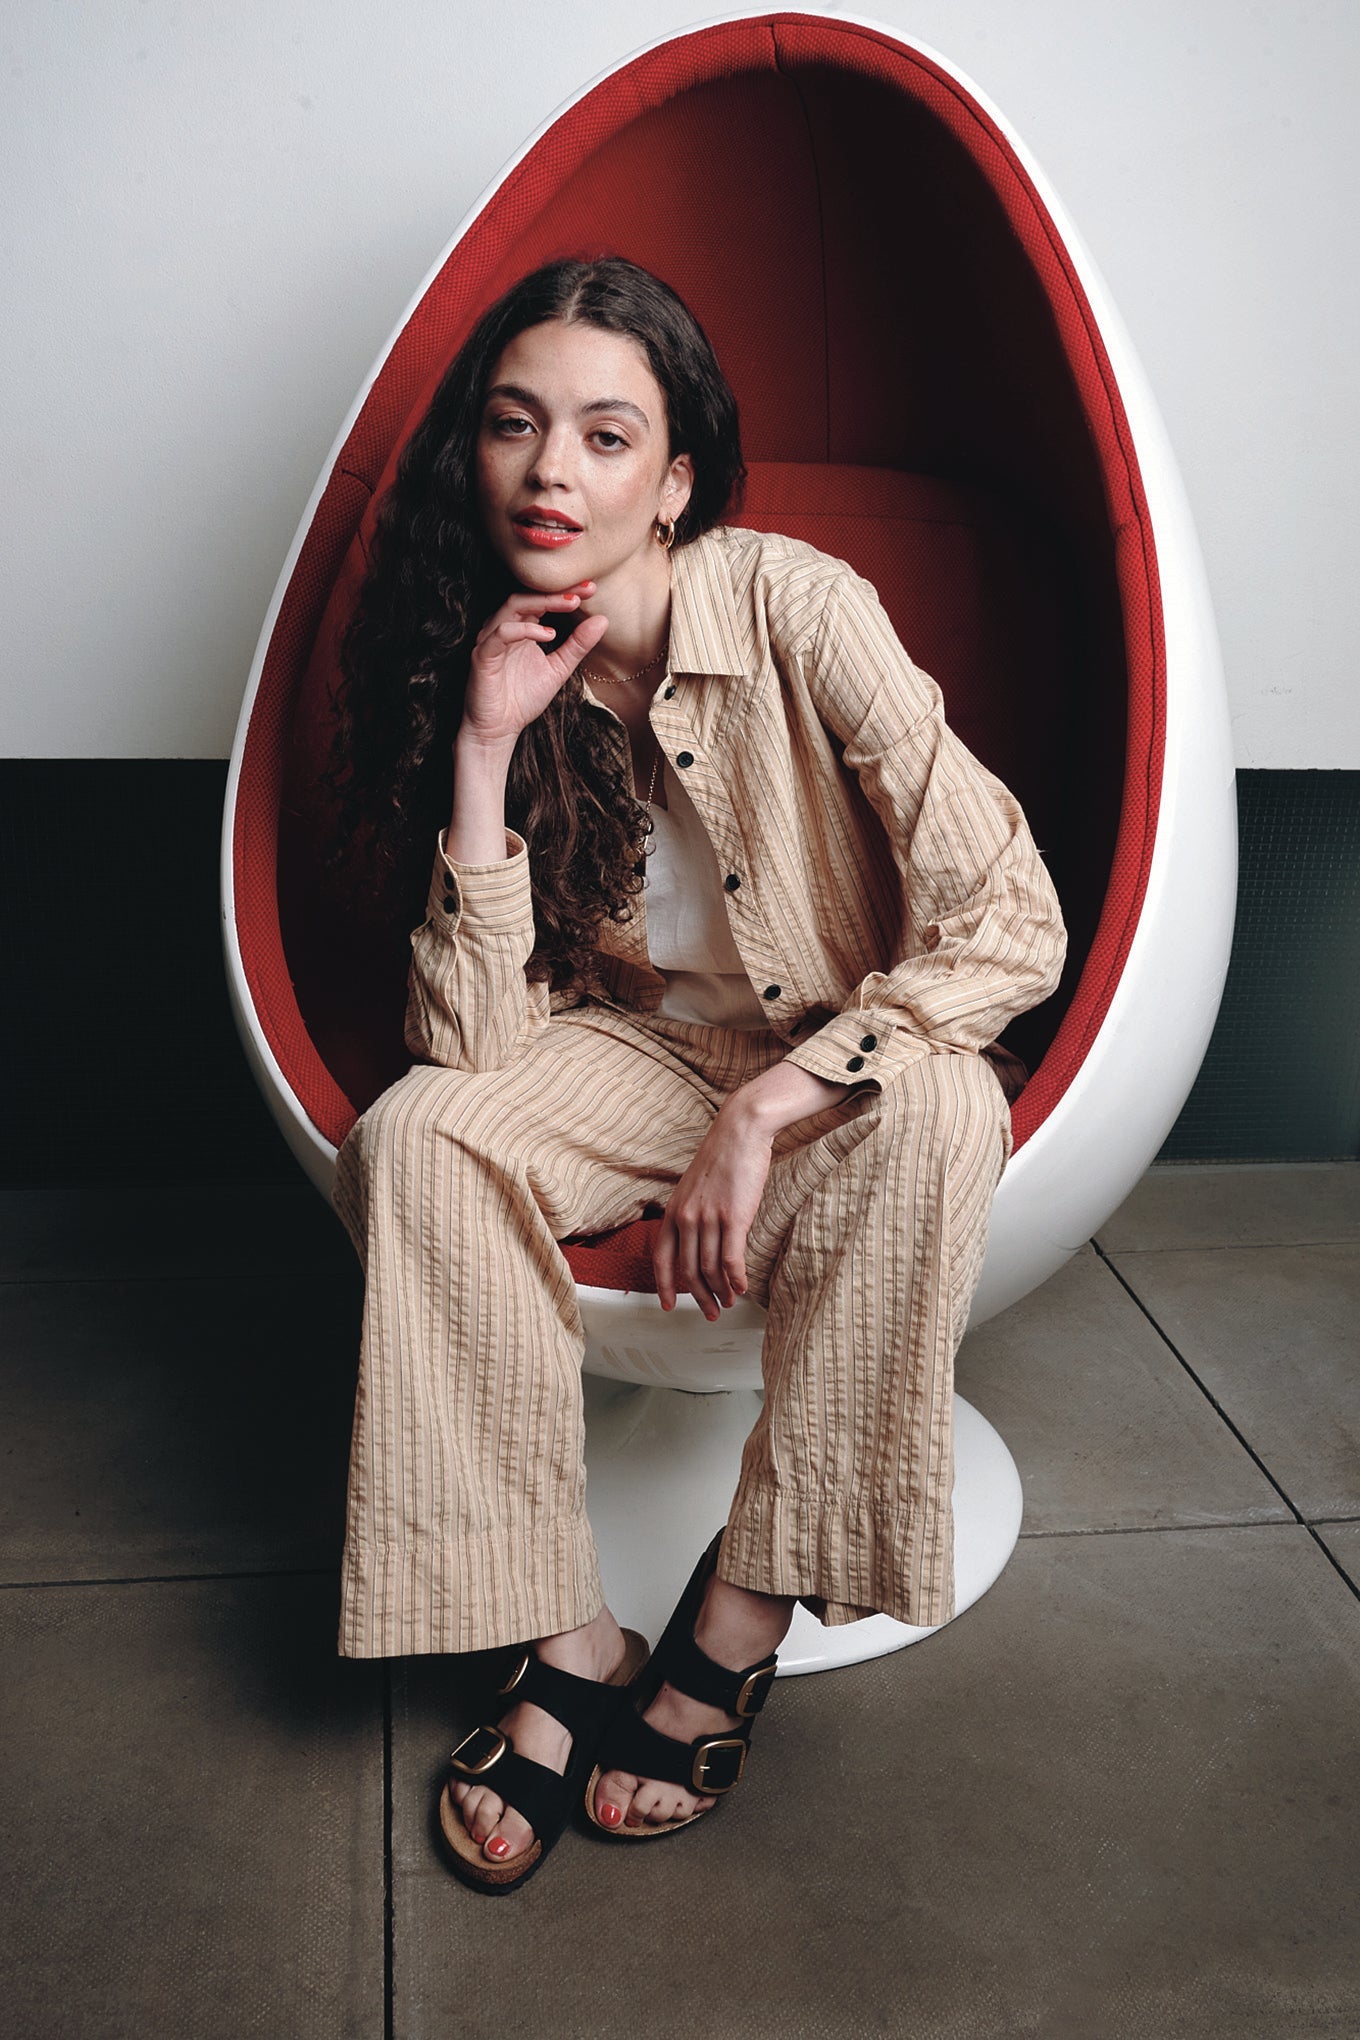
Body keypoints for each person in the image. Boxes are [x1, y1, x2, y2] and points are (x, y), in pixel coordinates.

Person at [325, 254, 1067, 1894]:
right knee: (419, 1133)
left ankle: (737, 1618)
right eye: (515, 425)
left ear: (674, 483)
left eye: (606, 436)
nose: (550, 470)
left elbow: (1012, 920)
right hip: (638, 1054)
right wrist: (484, 746)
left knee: (948, 1096)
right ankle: (565, 1634)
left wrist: (776, 1100)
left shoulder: (799, 606)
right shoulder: (485, 653)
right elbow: (472, 1048)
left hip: (846, 1055)